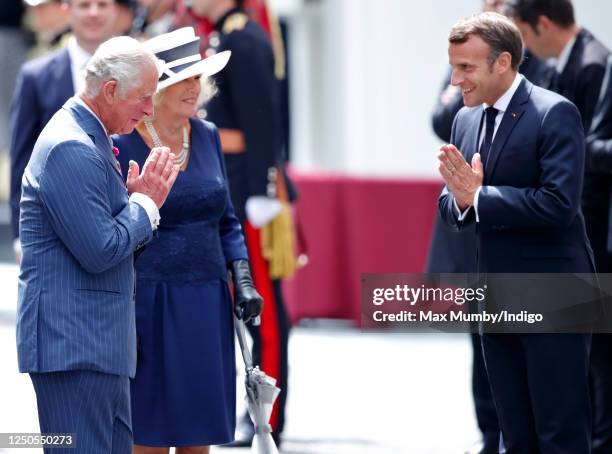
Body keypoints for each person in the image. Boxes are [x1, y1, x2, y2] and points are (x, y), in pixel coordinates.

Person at [438, 12, 595, 453]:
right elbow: (451, 204)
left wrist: (480, 197)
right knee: (514, 434)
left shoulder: (554, 113)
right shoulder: (465, 120)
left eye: (466, 67)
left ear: (502, 62)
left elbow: (559, 204)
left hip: (555, 293)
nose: (455, 79)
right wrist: (465, 201)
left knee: (560, 432)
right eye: (453, 66)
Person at [16, 35, 179, 454]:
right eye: (143, 97)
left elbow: (110, 245)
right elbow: (101, 250)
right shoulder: (72, 144)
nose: (149, 110)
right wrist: (145, 203)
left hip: (93, 345)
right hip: (76, 347)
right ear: (109, 90)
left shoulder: (87, 136)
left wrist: (134, 206)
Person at [113, 27, 263, 454]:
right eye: (182, 79)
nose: (193, 88)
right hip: (149, 304)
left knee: (199, 433)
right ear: (154, 89)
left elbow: (227, 221)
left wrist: (244, 279)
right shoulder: (122, 144)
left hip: (207, 302)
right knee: (150, 432)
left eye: (197, 78)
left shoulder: (209, 135)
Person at [503, 2, 612, 451]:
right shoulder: (558, 67)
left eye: (523, 34)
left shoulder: (593, 65)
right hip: (575, 228)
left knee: (598, 357)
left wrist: (557, 149)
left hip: (592, 231)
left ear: (542, 25)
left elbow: (600, 149)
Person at [190, 0, 292, 447]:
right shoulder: (220, 35)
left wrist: (262, 192)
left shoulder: (244, 39)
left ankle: (269, 413)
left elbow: (264, 125)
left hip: (245, 192)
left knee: (261, 307)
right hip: (225, 186)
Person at [10, 0, 116, 264]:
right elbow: (21, 158)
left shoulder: (138, 69)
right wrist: (19, 234)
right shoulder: (36, 75)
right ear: (67, 11)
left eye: (102, 5)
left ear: (114, 10)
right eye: (84, 5)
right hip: (51, 224)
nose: (94, 13)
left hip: (118, 222)